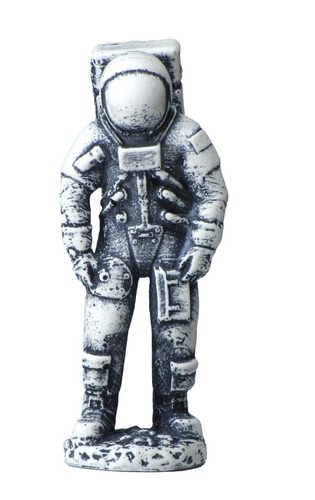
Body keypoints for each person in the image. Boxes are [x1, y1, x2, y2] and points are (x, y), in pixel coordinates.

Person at [60, 48, 228, 441]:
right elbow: (73, 191)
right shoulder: (96, 138)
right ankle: (96, 406)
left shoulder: (186, 137)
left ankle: (174, 409)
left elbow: (211, 192)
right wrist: (80, 252)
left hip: (173, 248)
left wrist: (200, 246)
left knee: (176, 328)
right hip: (115, 249)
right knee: (103, 325)